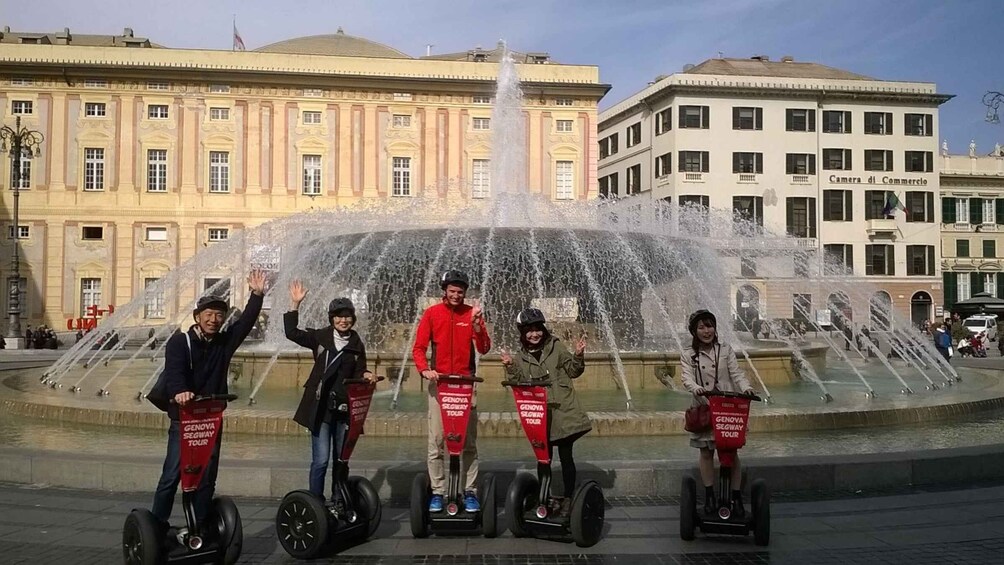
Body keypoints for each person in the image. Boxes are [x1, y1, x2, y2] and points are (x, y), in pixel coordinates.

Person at [151, 270, 267, 533]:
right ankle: (157, 526)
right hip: (184, 417)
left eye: (218, 316)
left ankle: (200, 524)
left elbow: (246, 322)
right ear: (197, 317)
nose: (214, 320)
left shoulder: (223, 344)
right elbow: (174, 372)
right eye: (208, 315)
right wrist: (180, 390)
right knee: (172, 474)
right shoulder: (180, 343)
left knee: (206, 476)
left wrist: (257, 295)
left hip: (210, 418)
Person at [284, 280, 376, 507]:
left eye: (347, 316)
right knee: (321, 461)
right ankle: (315, 503)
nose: (343, 320)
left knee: (341, 460)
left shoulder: (356, 343)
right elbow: (292, 333)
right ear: (331, 318)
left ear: (353, 319)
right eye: (338, 316)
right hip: (321, 409)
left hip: (344, 409)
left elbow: (360, 369)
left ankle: (339, 499)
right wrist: (295, 305)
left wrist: (367, 374)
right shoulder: (320, 338)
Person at [411, 269, 491, 514]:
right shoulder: (432, 314)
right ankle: (437, 491)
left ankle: (470, 491)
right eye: (452, 291)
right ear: (444, 290)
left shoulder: (472, 314)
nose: (456, 295)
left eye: (460, 291)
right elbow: (418, 348)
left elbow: (484, 347)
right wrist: (425, 370)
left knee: (468, 443)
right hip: (440, 385)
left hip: (466, 386)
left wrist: (477, 326)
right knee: (437, 442)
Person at [500, 308, 590, 517]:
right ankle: (544, 497)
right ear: (523, 333)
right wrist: (511, 366)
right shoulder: (520, 356)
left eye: (537, 329)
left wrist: (578, 355)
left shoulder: (556, 347)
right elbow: (519, 381)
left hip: (562, 410)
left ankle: (568, 498)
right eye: (529, 331)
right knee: (543, 458)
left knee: (566, 456)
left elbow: (573, 371)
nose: (534, 334)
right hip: (539, 414)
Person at [680, 309, 756, 518]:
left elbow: (736, 373)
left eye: (709, 326)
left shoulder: (725, 350)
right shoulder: (689, 354)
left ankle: (736, 496)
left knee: (731, 452)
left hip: (726, 407)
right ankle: (710, 496)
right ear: (694, 331)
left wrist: (746, 388)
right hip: (704, 407)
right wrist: (695, 388)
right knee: (706, 452)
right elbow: (686, 378)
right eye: (701, 327)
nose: (707, 331)